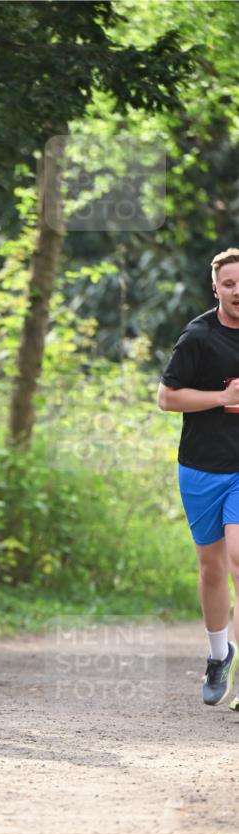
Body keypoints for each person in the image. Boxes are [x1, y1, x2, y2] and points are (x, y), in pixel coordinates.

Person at [158, 248, 239, 711]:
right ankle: (218, 654)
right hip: (202, 467)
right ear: (217, 289)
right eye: (229, 284)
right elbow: (167, 398)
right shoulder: (198, 337)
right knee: (211, 567)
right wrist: (222, 397)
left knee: (238, 556)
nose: (237, 290)